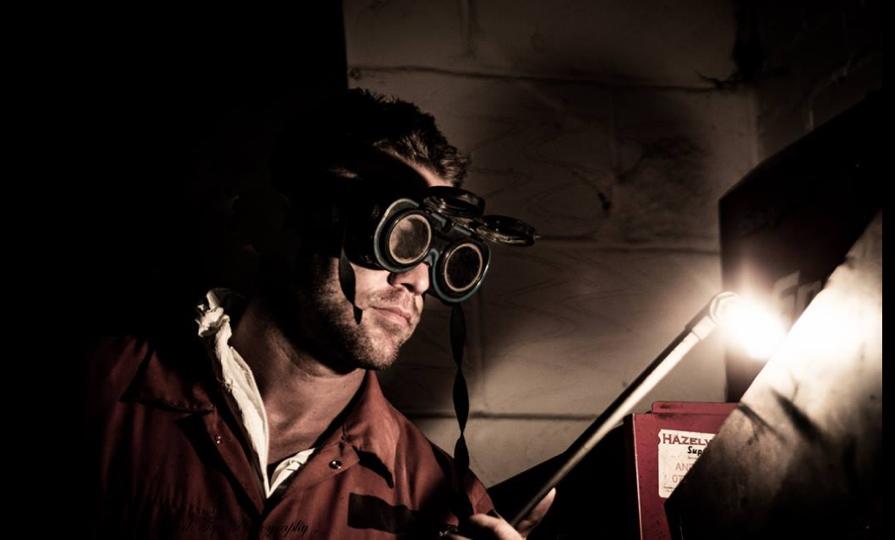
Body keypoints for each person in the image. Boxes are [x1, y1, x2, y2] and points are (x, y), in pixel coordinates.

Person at [82, 88, 554, 539]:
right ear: (270, 222)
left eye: (435, 248)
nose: (418, 280)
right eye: (396, 234)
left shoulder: (445, 502)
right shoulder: (99, 392)